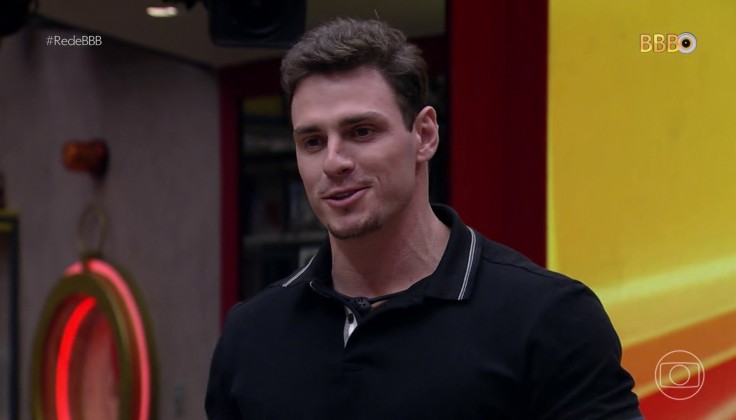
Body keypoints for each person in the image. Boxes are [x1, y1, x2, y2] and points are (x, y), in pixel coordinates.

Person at [205, 17, 642, 419]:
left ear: (425, 135)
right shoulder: (251, 334)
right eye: (313, 141)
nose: (334, 162)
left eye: (361, 132)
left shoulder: (549, 318)